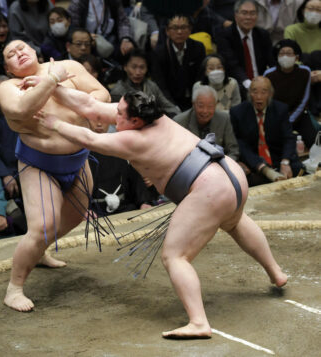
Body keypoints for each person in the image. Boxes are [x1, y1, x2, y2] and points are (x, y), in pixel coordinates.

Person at [34, 85, 287, 339]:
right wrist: (54, 87)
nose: (114, 115)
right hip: (229, 174)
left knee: (174, 255)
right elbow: (91, 107)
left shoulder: (133, 139)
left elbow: (90, 139)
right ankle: (276, 273)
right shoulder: (154, 116)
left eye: (120, 114)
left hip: (209, 188)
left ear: (135, 120)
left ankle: (199, 322)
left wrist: (55, 123)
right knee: (234, 222)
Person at [0, 40, 110, 312]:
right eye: (11, 54)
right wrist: (54, 81)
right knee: (43, 226)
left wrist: (76, 101)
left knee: (75, 215)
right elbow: (20, 110)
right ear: (8, 69)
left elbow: (101, 93)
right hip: (39, 164)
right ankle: (15, 288)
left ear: (36, 52)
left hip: (78, 160)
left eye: (22, 48)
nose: (19, 53)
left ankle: (38, 252)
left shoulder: (68, 66)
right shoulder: (7, 88)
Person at [230, 76, 303, 186]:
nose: (259, 97)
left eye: (264, 92)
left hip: (278, 158)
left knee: (299, 169)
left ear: (270, 94)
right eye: (255, 92)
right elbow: (240, 144)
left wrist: (285, 161)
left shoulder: (280, 109)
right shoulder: (238, 112)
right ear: (249, 93)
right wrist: (259, 165)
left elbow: (288, 138)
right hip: (254, 162)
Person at [264, 39, 317, 149]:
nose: (285, 56)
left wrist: (291, 119)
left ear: (296, 57)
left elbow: (304, 99)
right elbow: (268, 100)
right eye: (282, 53)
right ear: (277, 57)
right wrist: (282, 119)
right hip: (276, 116)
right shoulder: (269, 75)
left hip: (299, 114)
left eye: (289, 53)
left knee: (313, 140)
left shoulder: (305, 72)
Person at [216, 0, 275, 93]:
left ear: (257, 16)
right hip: (237, 85)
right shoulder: (225, 36)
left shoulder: (262, 35)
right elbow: (232, 65)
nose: (248, 17)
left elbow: (271, 61)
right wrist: (248, 84)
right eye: (244, 13)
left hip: (261, 84)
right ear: (236, 16)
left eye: (252, 13)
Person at [151, 14, 206, 111]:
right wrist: (172, 107)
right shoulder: (159, 53)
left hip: (194, 99)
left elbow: (201, 78)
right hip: (170, 102)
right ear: (167, 31)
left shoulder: (198, 48)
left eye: (184, 27)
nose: (179, 32)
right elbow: (160, 85)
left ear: (190, 29)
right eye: (175, 28)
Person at [174, 85, 239, 161]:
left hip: (218, 165)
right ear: (193, 104)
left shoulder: (224, 119)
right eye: (201, 106)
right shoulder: (179, 121)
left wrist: (223, 165)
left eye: (210, 106)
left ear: (216, 105)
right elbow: (176, 152)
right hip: (190, 166)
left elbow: (233, 150)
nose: (205, 111)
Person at [111, 49, 180, 117]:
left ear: (147, 68)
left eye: (142, 67)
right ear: (125, 67)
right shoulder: (117, 91)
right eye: (134, 67)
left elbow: (168, 106)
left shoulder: (151, 85)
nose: (138, 72)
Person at [67, 0, 135, 59]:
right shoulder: (78, 2)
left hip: (110, 39)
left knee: (129, 51)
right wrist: (87, 36)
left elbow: (123, 21)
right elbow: (73, 26)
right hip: (87, 40)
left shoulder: (114, 1)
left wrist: (125, 39)